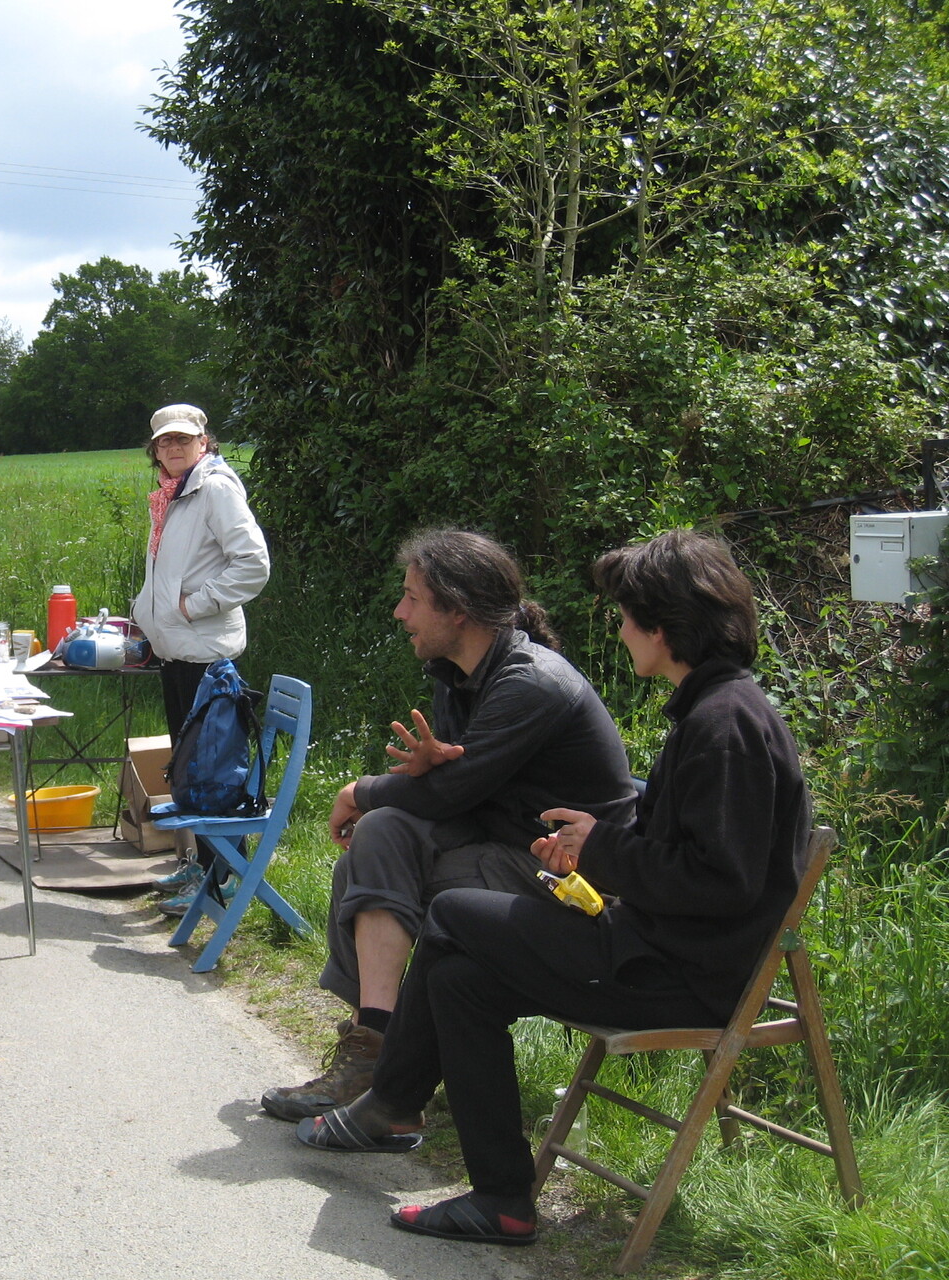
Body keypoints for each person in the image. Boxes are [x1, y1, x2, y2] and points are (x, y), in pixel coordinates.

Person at [299, 530, 811, 1251]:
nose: (620, 632)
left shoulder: (722, 726)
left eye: (627, 618)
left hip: (678, 976)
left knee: (452, 915)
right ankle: (498, 1198)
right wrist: (587, 844)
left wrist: (598, 847)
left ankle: (392, 1102)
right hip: (655, 951)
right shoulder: (717, 711)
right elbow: (690, 858)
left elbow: (719, 883)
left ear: (663, 628)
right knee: (460, 978)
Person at [260, 529, 635, 1121]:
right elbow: (451, 789)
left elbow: (451, 791)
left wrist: (359, 790)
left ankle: (387, 1073)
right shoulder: (456, 672)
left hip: (568, 881)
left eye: (412, 598)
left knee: (375, 862)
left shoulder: (531, 682)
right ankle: (374, 1051)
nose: (399, 611)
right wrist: (423, 776)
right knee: (381, 835)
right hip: (498, 845)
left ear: (458, 609)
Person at [130, 404, 270, 914]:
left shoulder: (214, 489)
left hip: (206, 657)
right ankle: (201, 863)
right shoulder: (174, 493)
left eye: (183, 440)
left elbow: (253, 564)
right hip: (178, 653)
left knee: (212, 773)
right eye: (165, 441)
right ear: (155, 449)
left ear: (204, 442)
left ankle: (224, 876)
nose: (174, 447)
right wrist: (147, 619)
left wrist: (193, 606)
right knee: (189, 771)